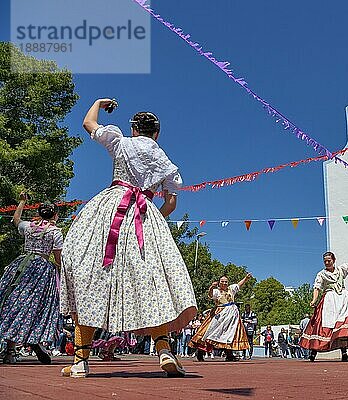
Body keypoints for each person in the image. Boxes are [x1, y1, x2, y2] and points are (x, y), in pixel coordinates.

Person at [60, 99, 198, 378]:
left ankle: (80, 361)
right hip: (143, 216)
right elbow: (171, 203)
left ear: (134, 129)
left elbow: (88, 124)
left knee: (91, 277)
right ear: (156, 134)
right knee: (152, 281)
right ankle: (164, 350)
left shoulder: (121, 143)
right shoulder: (165, 162)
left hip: (109, 211)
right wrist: (152, 217)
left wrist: (98, 103)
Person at [0, 194, 62, 365]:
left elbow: (15, 219)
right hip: (42, 269)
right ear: (55, 215)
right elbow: (58, 258)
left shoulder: (28, 226)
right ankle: (35, 340)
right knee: (38, 306)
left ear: (40, 214)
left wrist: (22, 202)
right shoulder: (55, 232)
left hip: (21, 266)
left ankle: (11, 351)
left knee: (14, 303)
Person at [300, 245, 348, 362]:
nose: (327, 263)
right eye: (325, 261)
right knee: (322, 325)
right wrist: (314, 300)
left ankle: (344, 355)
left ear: (334, 260)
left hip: (343, 299)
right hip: (329, 300)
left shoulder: (341, 269)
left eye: (329, 260)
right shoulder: (322, 274)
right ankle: (313, 353)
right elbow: (317, 287)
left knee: (344, 325)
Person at [189, 274, 252, 361]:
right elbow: (210, 295)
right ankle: (200, 352)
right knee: (210, 331)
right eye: (222, 281)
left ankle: (229, 354)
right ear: (219, 282)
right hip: (220, 314)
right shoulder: (216, 291)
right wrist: (211, 287)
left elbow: (239, 285)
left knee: (230, 333)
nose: (224, 283)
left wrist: (246, 278)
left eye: (226, 281)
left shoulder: (231, 289)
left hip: (232, 315)